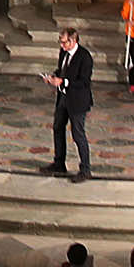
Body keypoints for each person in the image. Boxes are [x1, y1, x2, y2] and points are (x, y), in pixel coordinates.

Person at [43, 28, 94, 182]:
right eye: (60, 42)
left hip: (78, 101)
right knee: (58, 127)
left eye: (64, 42)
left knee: (78, 134)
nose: (62, 45)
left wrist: (63, 82)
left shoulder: (84, 57)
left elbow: (84, 82)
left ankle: (85, 169)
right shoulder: (63, 53)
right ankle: (59, 163)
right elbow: (62, 70)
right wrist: (53, 77)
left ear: (73, 40)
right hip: (63, 98)